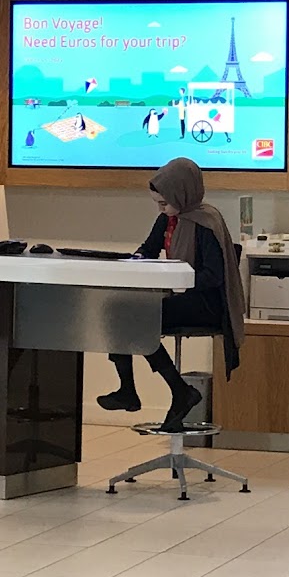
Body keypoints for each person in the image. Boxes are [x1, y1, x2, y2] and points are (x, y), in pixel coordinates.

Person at [95, 157, 247, 431]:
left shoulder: (206, 223)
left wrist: (177, 282)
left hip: (207, 304)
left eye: (164, 203)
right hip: (180, 297)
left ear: (182, 195)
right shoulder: (167, 220)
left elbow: (213, 276)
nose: (161, 209)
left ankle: (178, 392)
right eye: (158, 204)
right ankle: (131, 389)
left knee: (139, 319)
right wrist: (137, 259)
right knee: (118, 311)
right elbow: (149, 249)